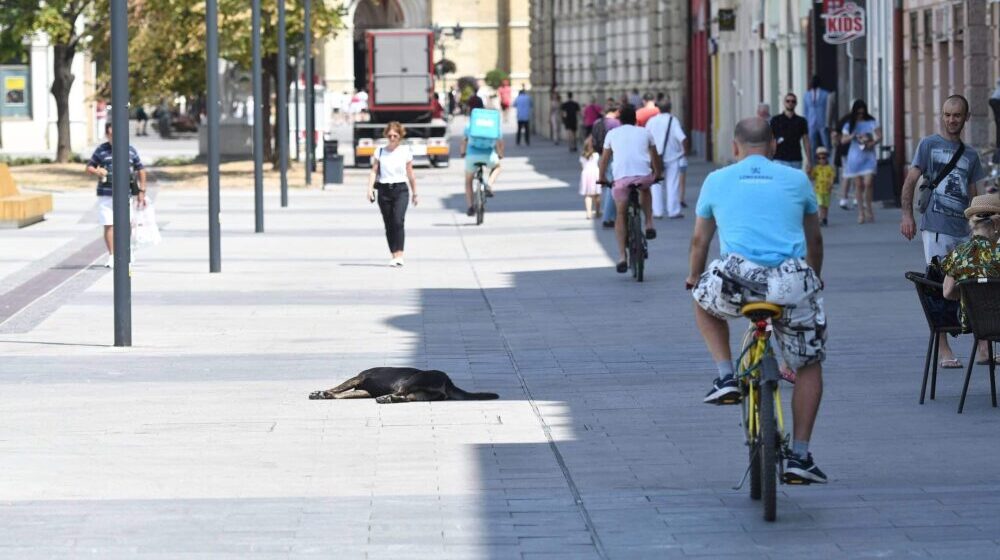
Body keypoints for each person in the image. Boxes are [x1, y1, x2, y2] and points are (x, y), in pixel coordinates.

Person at [687, 116, 827, 484]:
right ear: (775, 146)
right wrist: (814, 276)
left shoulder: (716, 180)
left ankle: (725, 376)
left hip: (738, 280)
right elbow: (815, 241)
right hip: (790, 281)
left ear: (735, 147)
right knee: (808, 362)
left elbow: (700, 242)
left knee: (702, 301)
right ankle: (800, 455)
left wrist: (693, 277)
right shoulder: (797, 180)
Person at [900, 94, 987, 369]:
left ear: (966, 118)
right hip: (935, 229)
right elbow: (911, 179)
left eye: (957, 115)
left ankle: (983, 346)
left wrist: (982, 232)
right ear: (942, 115)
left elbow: (976, 198)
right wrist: (906, 215)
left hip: (963, 231)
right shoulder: (928, 145)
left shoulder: (971, 155)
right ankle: (944, 349)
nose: (952, 120)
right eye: (948, 114)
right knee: (938, 287)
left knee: (974, 287)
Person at [597, 104, 663, 273]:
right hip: (643, 176)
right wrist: (657, 174)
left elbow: (604, 160)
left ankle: (621, 257)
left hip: (621, 179)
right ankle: (649, 224)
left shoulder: (612, 134)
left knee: (620, 214)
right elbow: (655, 157)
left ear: (619, 120)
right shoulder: (645, 132)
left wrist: (602, 177)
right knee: (646, 190)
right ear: (635, 119)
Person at [940, 193, 1000, 364]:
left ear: (972, 223)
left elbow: (947, 292)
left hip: (975, 321)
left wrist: (971, 295)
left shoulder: (959, 253)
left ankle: (983, 349)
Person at [85, 122, 148, 269]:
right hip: (106, 194)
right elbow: (89, 167)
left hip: (125, 194)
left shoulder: (130, 150)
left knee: (127, 223)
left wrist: (142, 191)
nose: (114, 137)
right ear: (107, 134)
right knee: (109, 224)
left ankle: (127, 251)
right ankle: (112, 255)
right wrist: (97, 171)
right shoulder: (101, 150)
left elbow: (141, 170)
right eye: (111, 134)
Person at [365, 122, 418, 267]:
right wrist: (369, 189)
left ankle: (400, 254)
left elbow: (411, 173)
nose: (392, 138)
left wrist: (415, 193)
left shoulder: (405, 151)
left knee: (398, 220)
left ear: (400, 136)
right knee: (388, 223)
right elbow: (374, 171)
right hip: (383, 190)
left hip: (401, 189)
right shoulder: (380, 151)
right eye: (390, 135)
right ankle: (394, 254)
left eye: (395, 135)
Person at [839, 99, 882, 224]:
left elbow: (879, 136)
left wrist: (872, 142)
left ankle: (868, 207)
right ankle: (861, 212)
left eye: (862, 113)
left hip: (868, 156)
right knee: (858, 185)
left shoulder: (872, 122)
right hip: (855, 157)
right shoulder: (849, 124)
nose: (860, 115)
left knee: (868, 183)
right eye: (858, 113)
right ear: (854, 112)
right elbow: (843, 140)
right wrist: (853, 136)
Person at [646, 100, 687, 219]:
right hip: (672, 157)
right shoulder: (673, 121)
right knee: (672, 183)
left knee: (655, 184)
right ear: (670, 108)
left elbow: (646, 137)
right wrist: (684, 151)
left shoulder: (652, 121)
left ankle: (657, 211)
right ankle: (673, 210)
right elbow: (682, 138)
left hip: (655, 158)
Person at [460, 109, 504, 216]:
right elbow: (499, 143)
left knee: (468, 180)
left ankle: (470, 207)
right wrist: (500, 154)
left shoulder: (469, 126)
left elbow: (464, 141)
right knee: (498, 167)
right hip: (489, 156)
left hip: (471, 156)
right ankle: (489, 185)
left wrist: (462, 152)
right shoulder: (493, 126)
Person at [591, 103, 621, 228]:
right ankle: (608, 217)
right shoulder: (615, 123)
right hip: (611, 156)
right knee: (611, 186)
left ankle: (611, 215)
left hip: (599, 154)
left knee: (610, 185)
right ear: (616, 111)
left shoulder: (597, 122)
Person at [769, 93, 811, 173]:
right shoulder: (775, 120)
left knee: (794, 183)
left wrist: (809, 160)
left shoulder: (801, 121)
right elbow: (771, 139)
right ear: (784, 102)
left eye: (793, 101)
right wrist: (769, 156)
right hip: (779, 158)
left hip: (796, 158)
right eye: (788, 101)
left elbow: (806, 141)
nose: (790, 103)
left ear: (796, 103)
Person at [803, 76, 831, 160]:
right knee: (811, 145)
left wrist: (828, 122)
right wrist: (806, 123)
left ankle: (829, 163)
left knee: (826, 143)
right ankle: (812, 163)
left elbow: (828, 109)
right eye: (811, 81)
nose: (812, 82)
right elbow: (805, 110)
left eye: (814, 81)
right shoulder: (806, 95)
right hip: (811, 123)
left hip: (822, 122)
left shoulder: (825, 94)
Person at [832, 109, 854, 209]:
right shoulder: (855, 121)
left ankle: (844, 199)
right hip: (850, 150)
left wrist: (836, 143)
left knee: (847, 175)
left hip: (844, 150)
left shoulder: (844, 119)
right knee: (854, 175)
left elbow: (834, 134)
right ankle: (852, 198)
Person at [810, 146, 835, 226]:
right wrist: (809, 172)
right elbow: (812, 177)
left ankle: (825, 218)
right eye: (819, 158)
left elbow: (832, 177)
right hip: (818, 190)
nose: (821, 160)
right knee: (820, 204)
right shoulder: (816, 168)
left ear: (826, 158)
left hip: (827, 190)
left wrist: (831, 184)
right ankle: (820, 218)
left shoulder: (829, 168)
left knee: (825, 205)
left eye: (823, 158)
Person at [579, 136, 601, 219]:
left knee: (587, 195)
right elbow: (599, 164)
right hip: (595, 174)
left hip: (586, 175)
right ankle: (598, 211)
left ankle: (588, 212)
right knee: (597, 195)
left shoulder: (582, 156)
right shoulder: (596, 155)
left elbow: (582, 166)